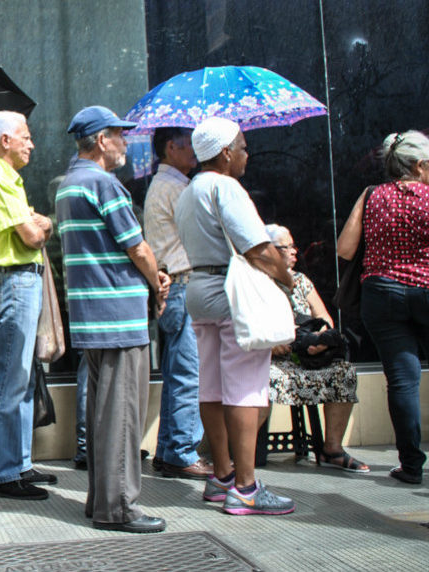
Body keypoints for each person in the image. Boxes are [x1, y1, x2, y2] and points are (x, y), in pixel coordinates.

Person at [174, 117, 296, 516]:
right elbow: (258, 249)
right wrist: (287, 277)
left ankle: (222, 475)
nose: (246, 154)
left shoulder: (189, 190)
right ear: (225, 152)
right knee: (246, 388)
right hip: (232, 292)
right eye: (243, 147)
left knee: (210, 385)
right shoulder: (226, 186)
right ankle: (245, 487)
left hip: (200, 290)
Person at [57, 106, 170, 533]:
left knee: (103, 413)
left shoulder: (69, 185)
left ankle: (100, 500)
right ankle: (119, 507)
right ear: (102, 141)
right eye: (120, 135)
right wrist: (157, 281)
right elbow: (137, 247)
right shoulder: (104, 184)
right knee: (123, 415)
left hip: (91, 316)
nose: (126, 142)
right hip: (119, 316)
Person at [337, 130, 429, 485]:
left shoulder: (371, 196)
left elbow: (345, 249)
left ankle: (412, 466)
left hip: (382, 294)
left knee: (402, 381)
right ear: (418, 165)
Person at [0, 110, 56, 500]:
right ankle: (4, 472)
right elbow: (31, 237)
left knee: (21, 376)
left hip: (19, 281)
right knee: (11, 376)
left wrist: (41, 224)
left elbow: (34, 230)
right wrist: (44, 225)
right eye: (25, 136)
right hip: (13, 279)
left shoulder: (4, 178)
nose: (31, 143)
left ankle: (17, 464)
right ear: (5, 140)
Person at [264, 224, 368, 473]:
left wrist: (319, 342)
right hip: (272, 359)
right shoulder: (258, 281)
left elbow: (324, 318)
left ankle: (332, 449)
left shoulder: (301, 281)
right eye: (287, 247)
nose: (294, 252)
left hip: (305, 355)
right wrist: (269, 345)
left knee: (343, 372)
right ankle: (248, 451)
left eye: (293, 246)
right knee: (258, 377)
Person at [142, 127, 212, 480]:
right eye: (188, 145)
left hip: (174, 287)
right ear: (171, 147)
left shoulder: (164, 185)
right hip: (182, 284)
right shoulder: (175, 187)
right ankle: (181, 450)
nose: (195, 152)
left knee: (175, 373)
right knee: (186, 373)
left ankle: (170, 450)